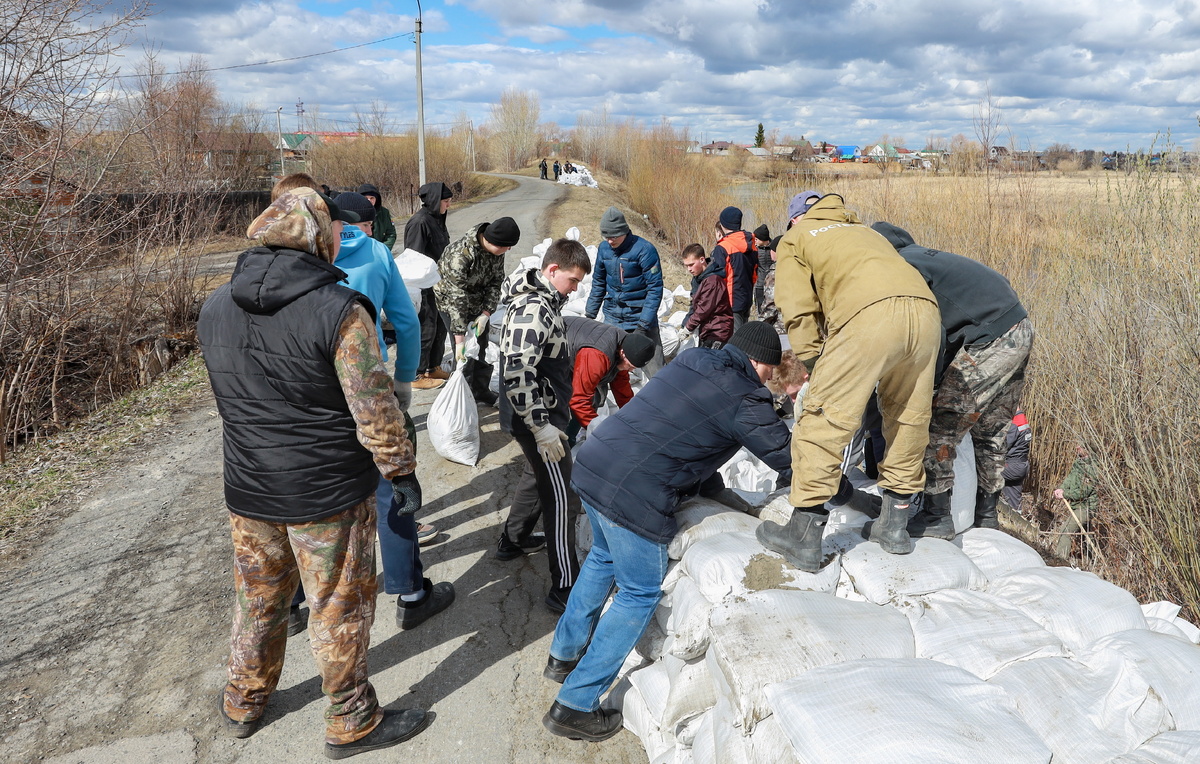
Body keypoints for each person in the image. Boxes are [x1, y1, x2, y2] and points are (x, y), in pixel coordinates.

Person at [198, 187, 431, 758]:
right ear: (318, 238)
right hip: (325, 492)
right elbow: (374, 407)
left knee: (259, 596)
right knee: (336, 605)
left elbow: (231, 397)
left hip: (249, 488)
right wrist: (400, 470)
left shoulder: (215, 306)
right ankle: (352, 719)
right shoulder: (339, 310)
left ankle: (243, 698)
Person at [543, 321, 792, 741]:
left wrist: (721, 492)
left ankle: (563, 655)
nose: (769, 377)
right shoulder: (746, 398)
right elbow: (792, 460)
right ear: (759, 362)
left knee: (603, 559)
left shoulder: (695, 358)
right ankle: (574, 704)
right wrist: (852, 497)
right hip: (634, 493)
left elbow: (690, 432)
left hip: (595, 465)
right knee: (638, 593)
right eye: (769, 368)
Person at [756, 194, 940, 571]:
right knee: (909, 418)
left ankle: (803, 538)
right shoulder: (865, 232)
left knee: (823, 421)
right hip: (926, 314)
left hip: (868, 318)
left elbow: (796, 305)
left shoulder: (799, 236)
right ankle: (893, 527)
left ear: (794, 220)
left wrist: (813, 362)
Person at [870, 222, 1034, 536]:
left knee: (939, 427)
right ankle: (987, 514)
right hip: (1018, 326)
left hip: (990, 340)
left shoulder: (905, 268)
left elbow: (932, 335)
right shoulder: (928, 257)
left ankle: (937, 516)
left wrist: (930, 388)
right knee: (992, 429)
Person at [334, 191, 452, 618]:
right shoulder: (377, 253)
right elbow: (405, 320)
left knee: (315, 500)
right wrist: (403, 382)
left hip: (319, 400)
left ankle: (294, 604)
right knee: (393, 484)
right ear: (365, 222)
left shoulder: (303, 255)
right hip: (370, 387)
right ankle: (408, 591)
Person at [497, 239, 593, 614]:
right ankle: (564, 587)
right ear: (552, 271)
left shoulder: (545, 301)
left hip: (542, 417)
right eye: (571, 280)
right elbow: (518, 371)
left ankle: (513, 541)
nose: (574, 289)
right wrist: (541, 428)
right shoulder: (534, 308)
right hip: (539, 421)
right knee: (561, 500)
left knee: (536, 479)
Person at [434, 216, 521, 391]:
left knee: (481, 347)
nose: (509, 249)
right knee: (463, 353)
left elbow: (496, 283)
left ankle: (480, 391)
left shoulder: (497, 253)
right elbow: (456, 297)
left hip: (478, 305)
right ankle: (463, 394)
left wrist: (485, 314)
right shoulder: (460, 255)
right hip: (451, 304)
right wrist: (459, 339)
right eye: (507, 246)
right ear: (495, 242)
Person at [585, 206, 665, 377]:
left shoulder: (645, 250)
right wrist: (590, 314)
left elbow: (655, 289)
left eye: (613, 236)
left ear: (624, 231)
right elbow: (598, 282)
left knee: (655, 371)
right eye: (605, 236)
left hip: (640, 318)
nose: (609, 241)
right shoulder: (604, 249)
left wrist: (643, 326)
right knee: (609, 369)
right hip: (613, 317)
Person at [562, 316, 656, 442]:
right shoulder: (597, 355)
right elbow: (578, 398)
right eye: (631, 366)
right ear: (623, 353)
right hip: (556, 350)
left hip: (578, 351)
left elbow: (621, 387)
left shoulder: (625, 346)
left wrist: (634, 419)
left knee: (593, 398)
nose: (630, 371)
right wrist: (599, 430)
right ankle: (565, 442)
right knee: (566, 404)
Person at [403, 182, 455, 391]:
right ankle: (416, 373)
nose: (448, 206)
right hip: (421, 284)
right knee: (425, 327)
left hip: (437, 282)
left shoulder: (437, 219)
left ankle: (432, 367)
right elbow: (413, 257)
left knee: (439, 326)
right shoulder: (420, 222)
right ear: (434, 200)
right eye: (445, 201)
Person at [710, 206, 759, 330]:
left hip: (730, 303)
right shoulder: (751, 244)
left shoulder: (723, 247)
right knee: (742, 337)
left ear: (723, 224)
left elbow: (717, 280)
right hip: (746, 298)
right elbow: (754, 274)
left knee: (732, 342)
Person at [680, 243, 734, 348]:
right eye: (686, 266)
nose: (689, 269)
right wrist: (684, 324)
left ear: (702, 260)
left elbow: (703, 309)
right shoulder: (698, 279)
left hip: (718, 331)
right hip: (706, 330)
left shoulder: (713, 281)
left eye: (691, 265)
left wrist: (688, 328)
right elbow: (694, 305)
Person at [1053, 445, 1098, 559]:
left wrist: (1066, 494)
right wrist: (1061, 488)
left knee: (1065, 531)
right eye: (1077, 445)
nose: (1077, 447)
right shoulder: (1078, 463)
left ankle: (1060, 561)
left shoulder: (1091, 468)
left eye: (1081, 446)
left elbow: (1083, 492)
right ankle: (1089, 560)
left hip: (1086, 507)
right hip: (1077, 505)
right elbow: (1070, 479)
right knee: (1085, 534)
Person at [1002, 408, 1031, 514]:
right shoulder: (1022, 419)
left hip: (1012, 465)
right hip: (1021, 464)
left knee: (984, 474)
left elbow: (1003, 445)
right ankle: (1017, 524)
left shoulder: (1015, 422)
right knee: (1014, 498)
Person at [356, 183, 397, 250]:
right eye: (365, 198)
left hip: (381, 250)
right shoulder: (354, 214)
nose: (369, 200)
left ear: (376, 199)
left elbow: (391, 234)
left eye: (372, 198)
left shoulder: (384, 212)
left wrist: (383, 249)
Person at [752, 224, 771, 315]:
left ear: (762, 239)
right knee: (765, 311)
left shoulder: (756, 251)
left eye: (756, 239)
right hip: (765, 285)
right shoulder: (755, 250)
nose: (754, 241)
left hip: (766, 285)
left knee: (765, 311)